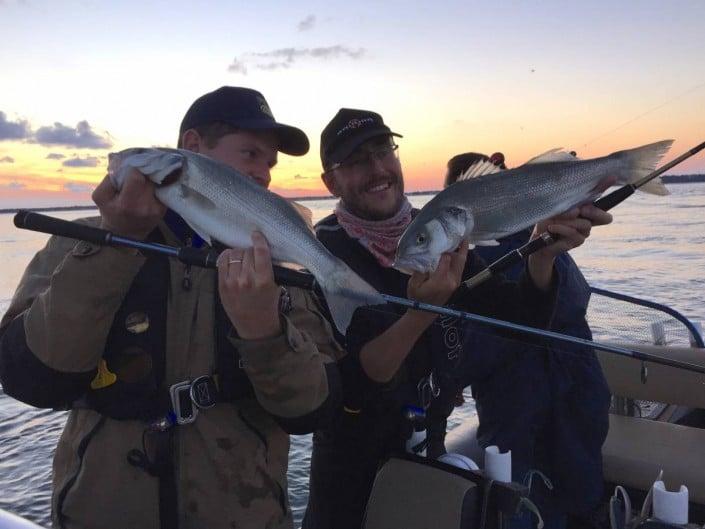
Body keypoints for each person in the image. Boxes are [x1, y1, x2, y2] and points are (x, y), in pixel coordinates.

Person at [0, 86, 343, 529]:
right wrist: (112, 245)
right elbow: (31, 378)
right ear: (192, 147)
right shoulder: (82, 240)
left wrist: (265, 333)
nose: (263, 174)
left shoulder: (275, 268)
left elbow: (312, 410)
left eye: (269, 164)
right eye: (250, 153)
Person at [302, 108, 612, 529]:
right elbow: (350, 383)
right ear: (331, 183)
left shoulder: (437, 228)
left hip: (429, 443)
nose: (377, 169)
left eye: (383, 151)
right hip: (353, 465)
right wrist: (420, 314)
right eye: (356, 161)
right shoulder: (321, 254)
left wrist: (542, 253)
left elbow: (515, 315)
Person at [444, 151, 611, 528]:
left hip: (564, 401)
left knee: (561, 500)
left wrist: (451, 373)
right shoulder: (474, 257)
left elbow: (566, 304)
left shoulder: (541, 237)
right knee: (551, 504)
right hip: (531, 412)